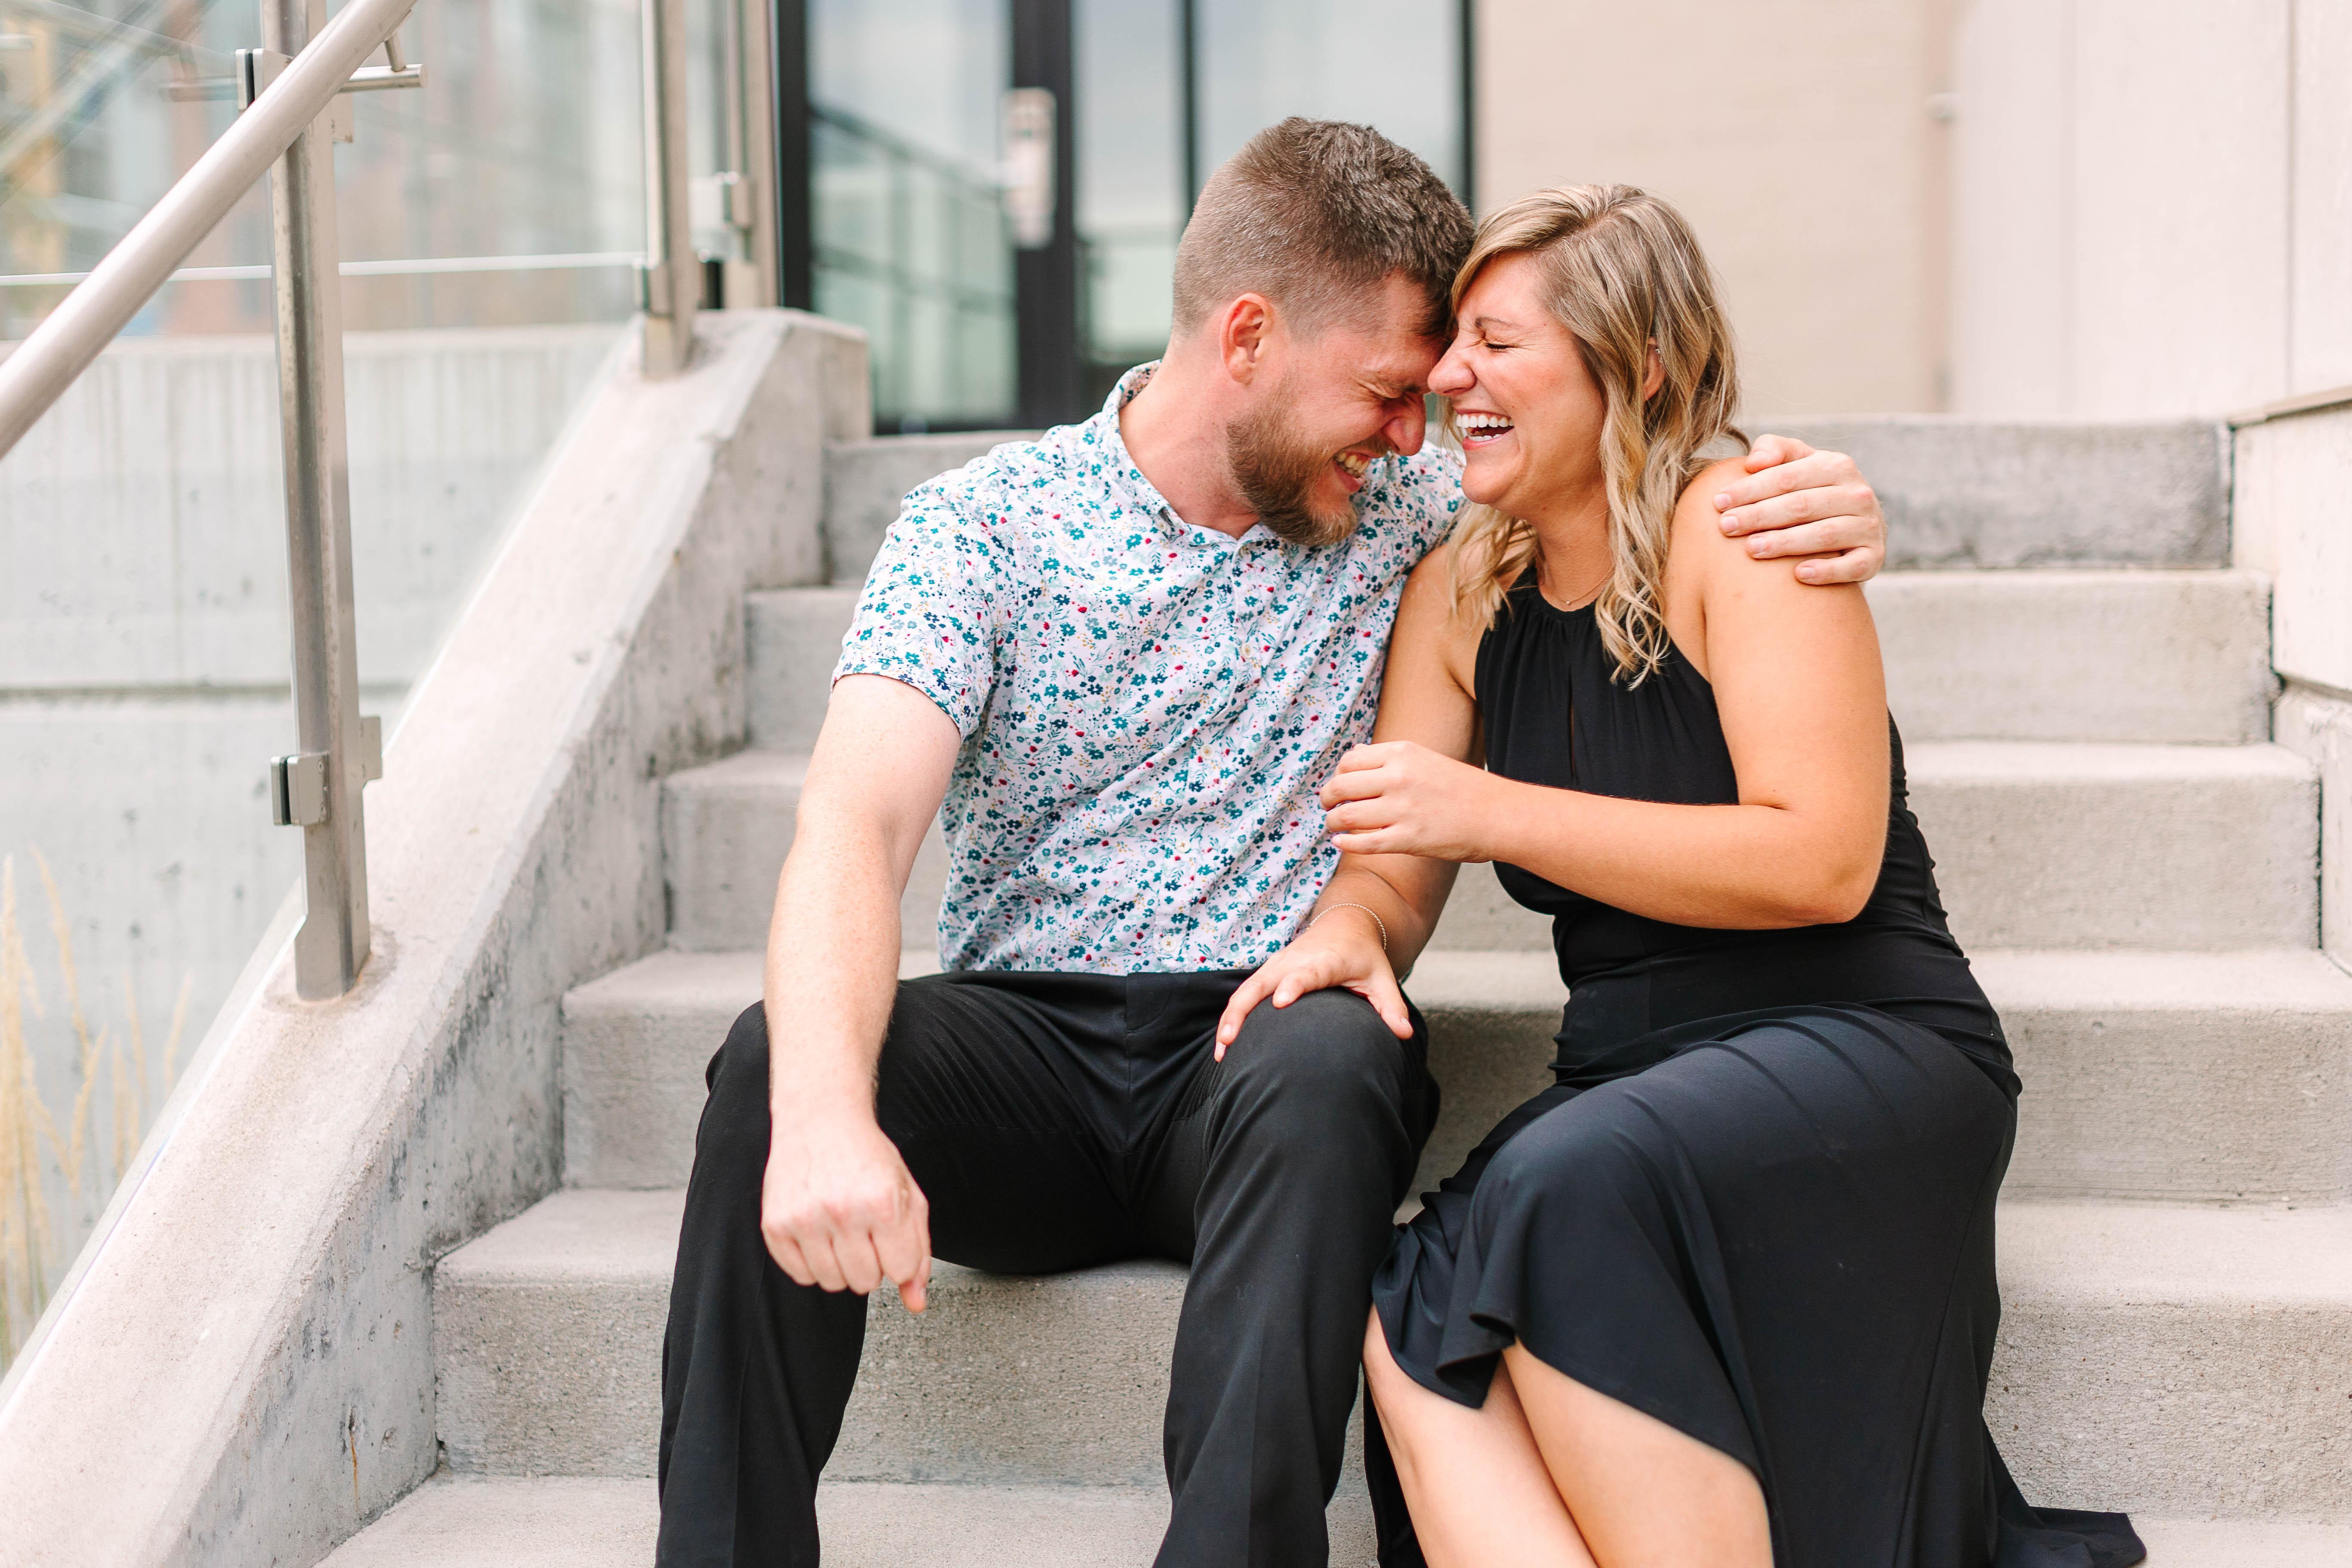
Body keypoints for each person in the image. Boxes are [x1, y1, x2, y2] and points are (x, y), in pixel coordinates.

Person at [655, 123, 1891, 1568]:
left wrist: (1830, 502)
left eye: (1429, 395)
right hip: (1022, 1057)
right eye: (1386, 392)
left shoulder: (1419, 516)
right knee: (778, 1061)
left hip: (1264, 1057)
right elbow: (853, 826)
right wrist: (825, 1121)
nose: (1415, 433)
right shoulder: (985, 528)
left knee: (1335, 1052)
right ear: (1248, 337)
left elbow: (1608, 474)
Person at [1217, 184, 2144, 1568]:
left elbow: (1822, 862)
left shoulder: (1748, 534)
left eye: (1496, 343)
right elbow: (1394, 861)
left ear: (1638, 366)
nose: (1450, 375)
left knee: (1554, 1196)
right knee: (1411, 1305)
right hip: (1630, 1076)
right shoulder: (1458, 593)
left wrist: (1494, 810)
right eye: (1453, 341)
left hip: (1859, 1035)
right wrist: (1352, 925)